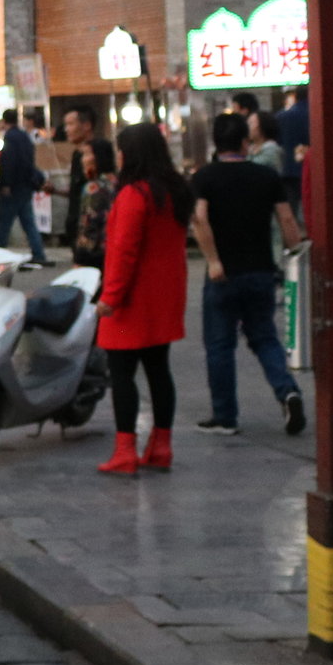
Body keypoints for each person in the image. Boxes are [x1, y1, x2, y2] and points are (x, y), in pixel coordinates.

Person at [189, 112, 307, 437]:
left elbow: (199, 219)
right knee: (265, 337)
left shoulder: (205, 177)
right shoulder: (265, 177)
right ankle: (287, 391)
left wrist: (213, 260)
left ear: (216, 142)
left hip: (222, 275)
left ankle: (225, 416)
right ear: (246, 142)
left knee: (220, 344)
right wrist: (296, 256)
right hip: (260, 271)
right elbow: (287, 222)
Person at [94, 122, 193, 476]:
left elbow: (123, 252)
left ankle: (125, 450)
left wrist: (110, 298)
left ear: (130, 154)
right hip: (164, 299)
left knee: (121, 373)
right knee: (158, 370)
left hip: (131, 304)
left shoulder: (134, 195)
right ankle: (161, 446)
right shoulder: (174, 191)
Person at [0, 107, 48, 266]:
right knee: (29, 222)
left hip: (13, 186)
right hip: (26, 184)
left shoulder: (10, 137)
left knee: (4, 223)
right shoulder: (24, 136)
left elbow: (8, 162)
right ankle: (39, 253)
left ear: (4, 121)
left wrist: (5, 183)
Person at [72, 137, 119, 269]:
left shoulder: (93, 188)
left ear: (98, 157)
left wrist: (80, 259)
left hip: (96, 256)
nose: (83, 160)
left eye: (87, 154)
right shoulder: (118, 182)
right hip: (115, 251)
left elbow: (88, 225)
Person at [56, 107, 99, 249]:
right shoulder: (76, 154)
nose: (66, 129)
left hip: (91, 229)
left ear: (86, 125)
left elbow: (97, 188)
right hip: (76, 224)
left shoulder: (98, 150)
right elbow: (77, 190)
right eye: (65, 125)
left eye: (70, 124)